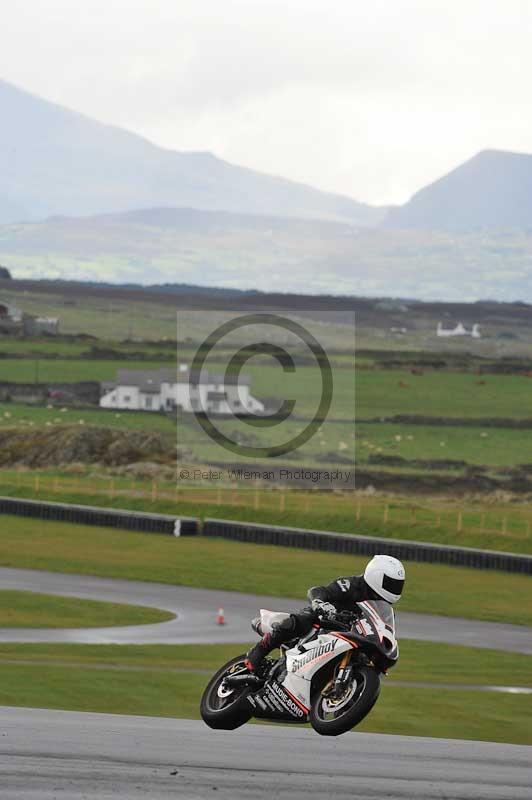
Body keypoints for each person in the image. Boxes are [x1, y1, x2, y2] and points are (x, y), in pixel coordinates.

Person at [244, 554, 405, 672]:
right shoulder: (352, 585)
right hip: (324, 621)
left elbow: (384, 631)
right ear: (376, 576)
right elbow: (319, 590)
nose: (394, 588)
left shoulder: (384, 609)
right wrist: (320, 603)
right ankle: (257, 652)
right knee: (300, 620)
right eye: (391, 583)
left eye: (398, 585)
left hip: (350, 636)